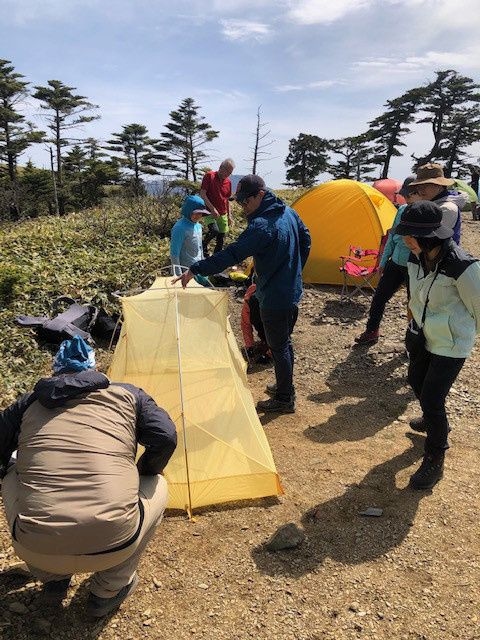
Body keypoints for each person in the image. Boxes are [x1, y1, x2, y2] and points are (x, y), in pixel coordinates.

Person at [0, 336, 177, 617]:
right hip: (114, 544)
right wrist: (144, 471)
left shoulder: (28, 403)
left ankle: (52, 577)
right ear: (94, 368)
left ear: (55, 369)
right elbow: (165, 437)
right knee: (159, 483)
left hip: (35, 548)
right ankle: (107, 590)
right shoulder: (129, 395)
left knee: (10, 473)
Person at [172, 174, 311, 414]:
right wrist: (294, 270)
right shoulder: (287, 212)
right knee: (283, 343)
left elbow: (232, 254)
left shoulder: (261, 226)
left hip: (276, 295)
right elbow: (306, 238)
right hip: (290, 289)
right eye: (240, 202)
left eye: (246, 202)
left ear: (260, 194)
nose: (243, 207)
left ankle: (285, 398)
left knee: (279, 346)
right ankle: (283, 386)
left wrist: (195, 269)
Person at [393, 202, 480, 490]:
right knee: (415, 380)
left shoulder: (463, 267)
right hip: (422, 335)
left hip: (451, 344)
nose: (405, 239)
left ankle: (435, 457)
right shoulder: (416, 258)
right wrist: (411, 324)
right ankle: (434, 421)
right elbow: (414, 296)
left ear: (429, 236)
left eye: (410, 235)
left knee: (432, 397)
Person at [355, 177, 421, 345]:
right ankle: (371, 331)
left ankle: (414, 341)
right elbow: (391, 237)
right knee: (379, 297)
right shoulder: (402, 210)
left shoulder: (424, 214)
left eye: (408, 195)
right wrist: (383, 262)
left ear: (418, 194)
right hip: (395, 262)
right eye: (404, 195)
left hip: (414, 265)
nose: (405, 198)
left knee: (414, 304)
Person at [409, 163, 461, 243]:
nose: (421, 190)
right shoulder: (432, 204)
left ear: (439, 185)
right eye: (419, 186)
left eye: (426, 185)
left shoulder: (447, 208)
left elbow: (430, 238)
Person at [170, 194, 211, 286]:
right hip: (186, 269)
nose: (198, 216)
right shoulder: (180, 228)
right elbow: (174, 253)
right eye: (195, 213)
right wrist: (178, 274)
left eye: (200, 213)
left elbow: (200, 248)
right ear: (188, 211)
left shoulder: (198, 226)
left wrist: (203, 263)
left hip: (198, 267)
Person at [200, 159, 235, 256]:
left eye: (230, 172)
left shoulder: (228, 182)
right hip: (208, 212)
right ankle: (203, 246)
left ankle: (216, 259)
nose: (227, 174)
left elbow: (227, 200)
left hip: (223, 213)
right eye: (226, 171)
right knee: (214, 231)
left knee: (221, 238)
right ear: (220, 167)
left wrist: (229, 216)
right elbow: (203, 194)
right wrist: (212, 208)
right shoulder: (209, 176)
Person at [241, 283, 271, 366]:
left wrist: (268, 354)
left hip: (281, 311)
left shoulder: (273, 301)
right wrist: (249, 345)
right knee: (259, 323)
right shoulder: (249, 300)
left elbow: (279, 331)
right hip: (262, 313)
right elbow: (246, 325)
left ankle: (271, 347)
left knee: (277, 337)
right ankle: (265, 340)